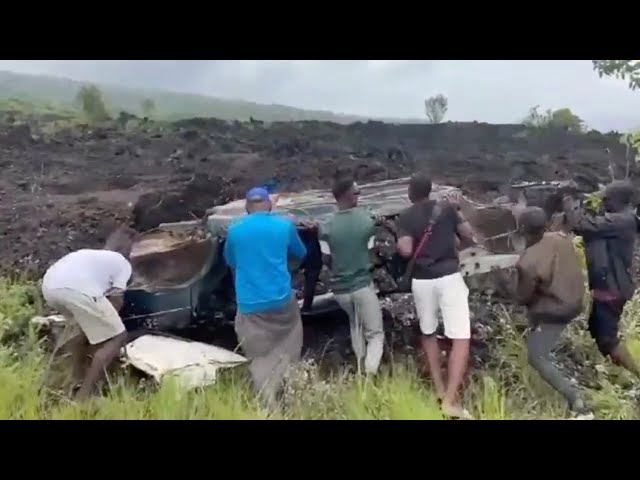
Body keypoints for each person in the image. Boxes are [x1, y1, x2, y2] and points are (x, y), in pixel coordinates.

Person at [495, 207, 592, 418]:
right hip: (576, 300)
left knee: (537, 356)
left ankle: (576, 400)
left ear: (521, 228)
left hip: (556, 311)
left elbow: (522, 298)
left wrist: (504, 281)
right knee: (540, 338)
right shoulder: (560, 238)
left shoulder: (528, 262)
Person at [396, 173, 476, 419]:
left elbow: (406, 250)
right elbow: (469, 236)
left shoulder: (406, 216)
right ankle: (450, 401)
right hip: (450, 276)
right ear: (429, 191)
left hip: (422, 281)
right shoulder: (448, 209)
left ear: (411, 192)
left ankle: (440, 391)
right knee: (460, 336)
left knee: (428, 333)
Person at [223, 187, 307, 409]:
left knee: (259, 358)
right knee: (289, 343)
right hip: (281, 301)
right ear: (269, 205)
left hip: (250, 305)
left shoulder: (234, 231)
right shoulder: (284, 225)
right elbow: (301, 253)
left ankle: (270, 407)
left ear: (247, 208)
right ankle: (290, 393)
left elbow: (231, 261)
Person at [41, 226, 137, 400]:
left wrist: (101, 322)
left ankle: (75, 379)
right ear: (127, 249)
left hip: (50, 288)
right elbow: (116, 299)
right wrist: (112, 325)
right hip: (77, 290)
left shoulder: (92, 256)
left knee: (82, 329)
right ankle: (85, 395)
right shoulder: (122, 263)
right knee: (117, 337)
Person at [563, 181, 640, 378]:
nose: (603, 201)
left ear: (620, 201)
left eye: (607, 198)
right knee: (597, 329)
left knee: (607, 338)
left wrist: (570, 201)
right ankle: (619, 375)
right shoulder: (621, 219)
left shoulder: (622, 221)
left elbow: (581, 225)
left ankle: (636, 376)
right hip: (611, 285)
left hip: (612, 288)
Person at [318, 176, 385, 375]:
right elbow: (372, 253)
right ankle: (369, 374)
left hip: (340, 290)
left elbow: (326, 259)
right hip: (362, 285)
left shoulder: (325, 226)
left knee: (355, 325)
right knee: (375, 334)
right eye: (357, 192)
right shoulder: (367, 220)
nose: (360, 195)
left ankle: (358, 364)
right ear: (347, 195)